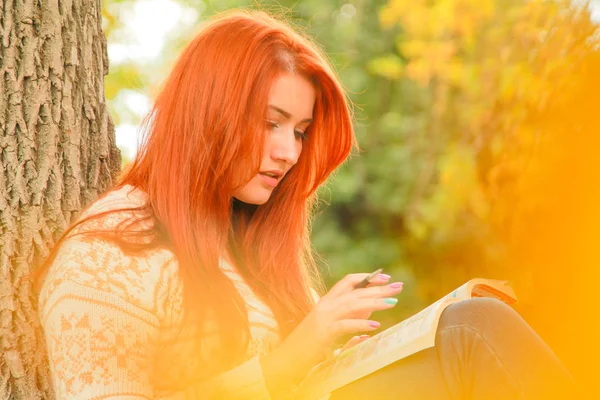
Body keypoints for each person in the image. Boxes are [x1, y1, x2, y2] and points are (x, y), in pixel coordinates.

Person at [37, 10, 579, 400]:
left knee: (473, 325)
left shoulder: (242, 241)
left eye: (299, 131)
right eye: (271, 123)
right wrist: (293, 356)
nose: (289, 152)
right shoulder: (109, 254)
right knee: (471, 331)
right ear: (208, 111)